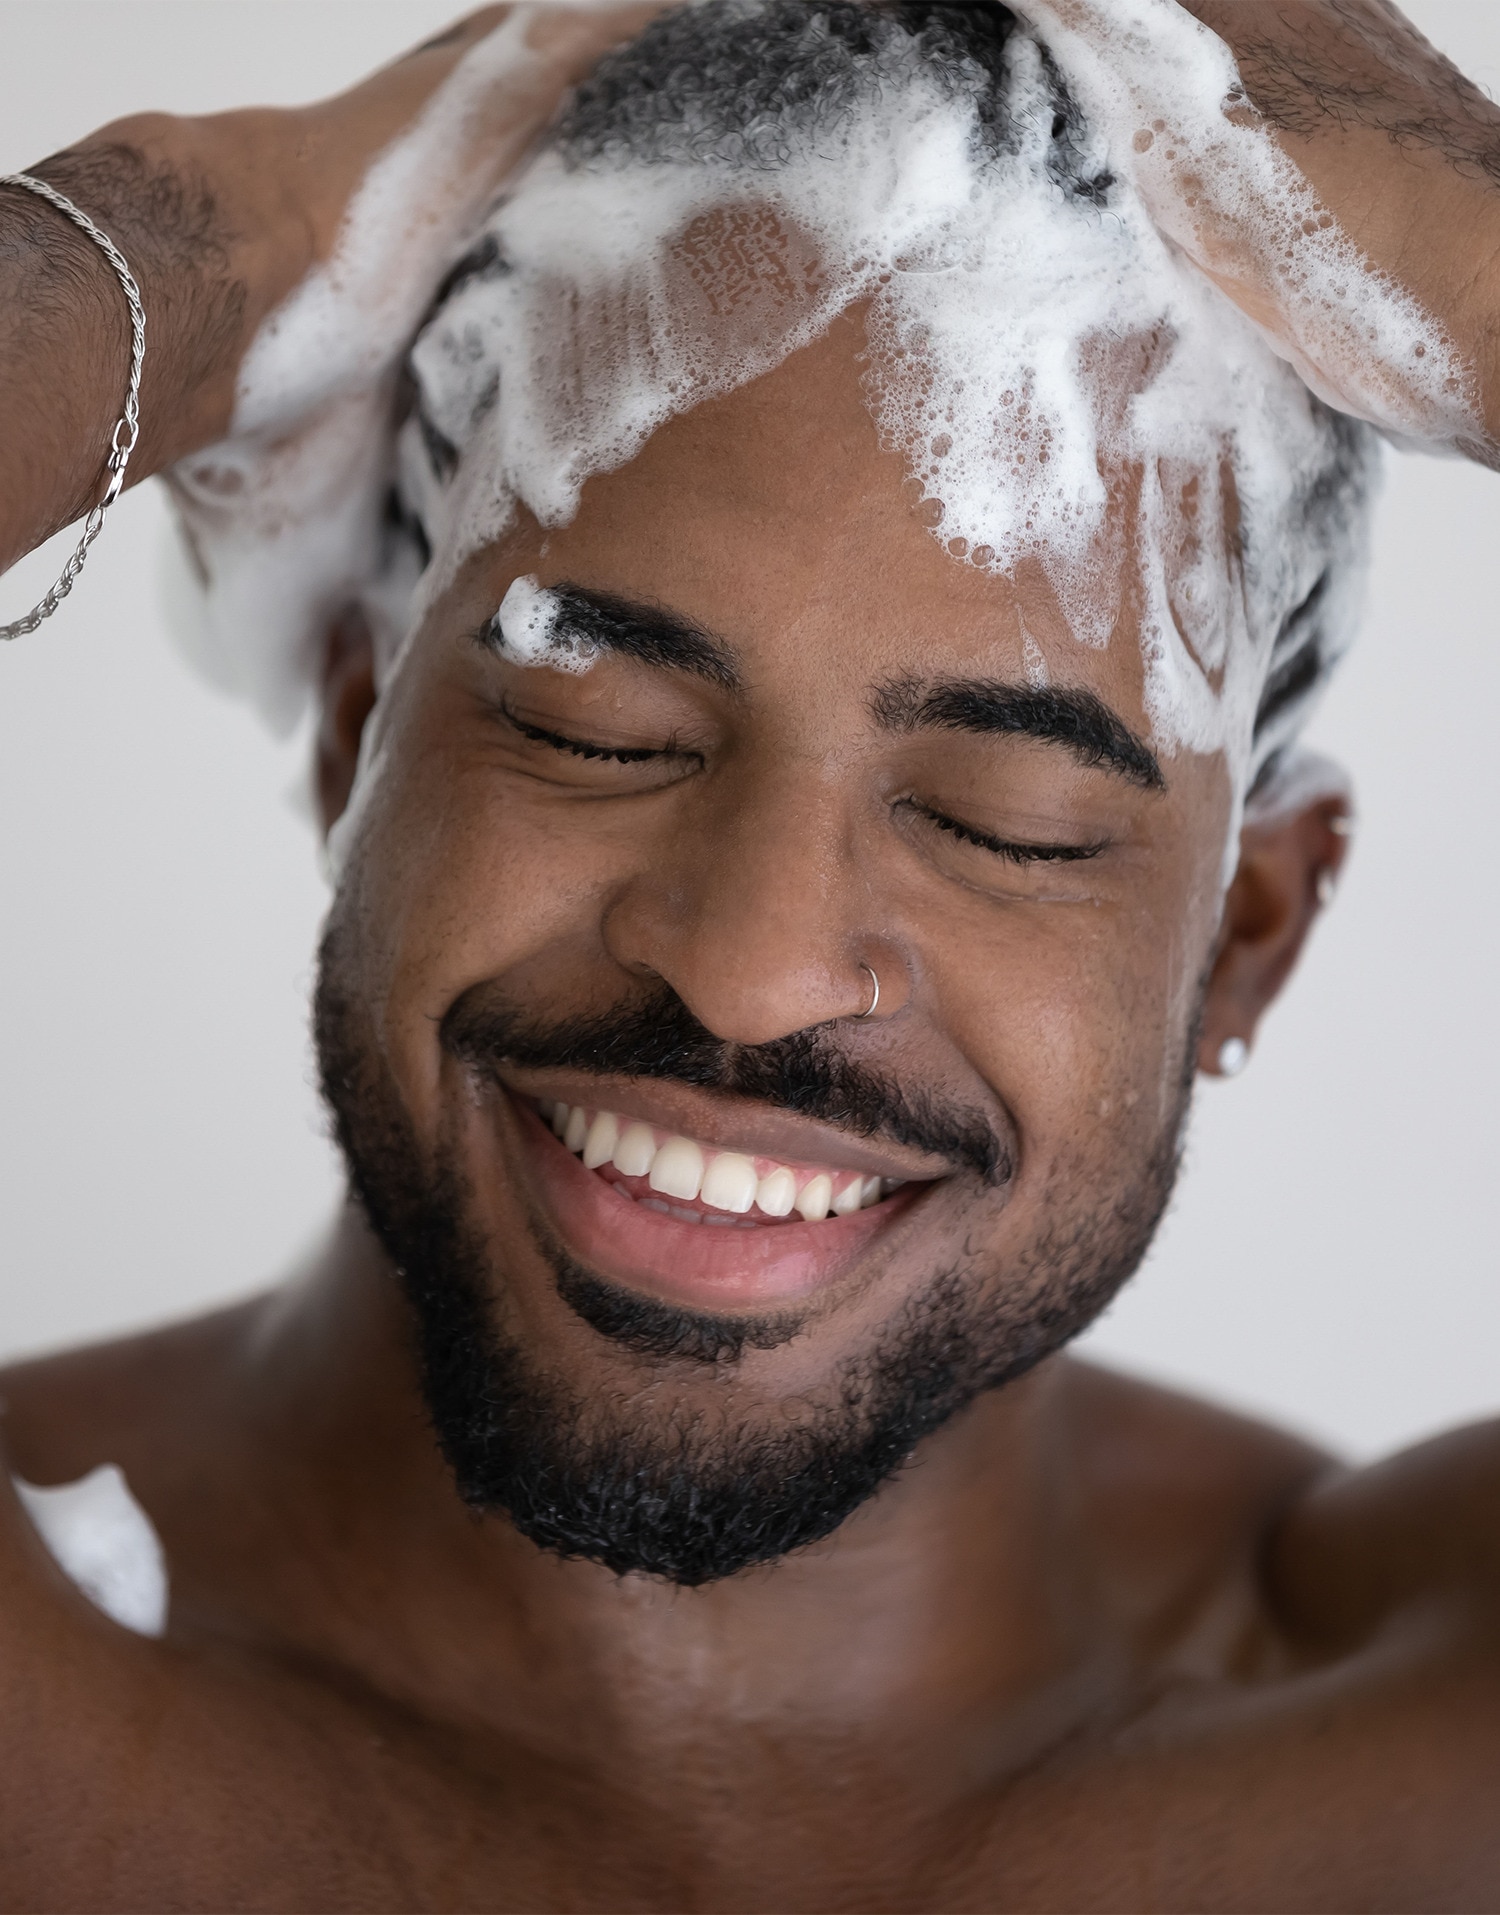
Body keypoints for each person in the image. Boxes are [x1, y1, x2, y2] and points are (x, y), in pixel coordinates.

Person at [0, 1, 1496, 1907]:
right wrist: (198, 239)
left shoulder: (1439, 1730)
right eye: (595, 733)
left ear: (1249, 942)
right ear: (356, 736)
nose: (752, 968)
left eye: (1002, 825)